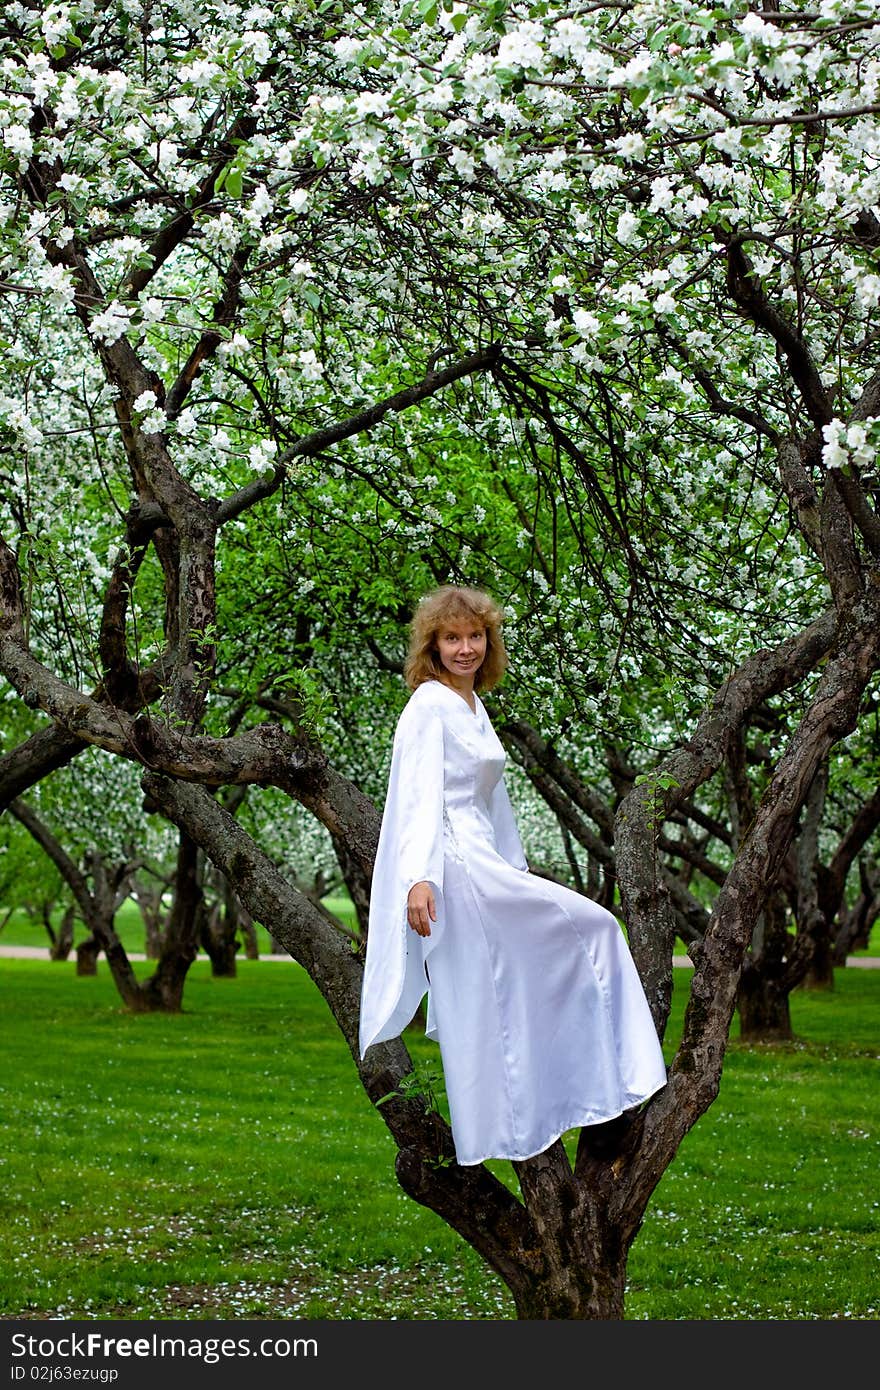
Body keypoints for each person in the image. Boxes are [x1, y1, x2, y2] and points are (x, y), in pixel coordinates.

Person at [359, 584, 667, 1167]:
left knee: (525, 982)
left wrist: (515, 867)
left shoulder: (472, 706)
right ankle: (599, 1097)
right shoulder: (428, 705)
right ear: (432, 645)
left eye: (475, 636)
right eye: (452, 638)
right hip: (456, 867)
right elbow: (419, 796)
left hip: (487, 862)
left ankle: (590, 1097)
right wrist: (419, 879)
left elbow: (492, 802)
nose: (466, 648)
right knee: (590, 931)